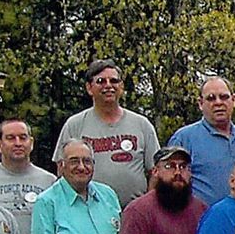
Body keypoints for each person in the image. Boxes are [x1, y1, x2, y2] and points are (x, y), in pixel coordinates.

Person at [53, 58, 158, 204]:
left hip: (133, 214)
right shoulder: (74, 125)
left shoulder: (142, 124)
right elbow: (61, 170)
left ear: (121, 86)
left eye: (114, 81)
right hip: (87, 213)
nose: (108, 85)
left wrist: (147, 206)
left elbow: (155, 171)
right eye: (101, 81)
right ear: (89, 88)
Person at [166, 75, 235, 205]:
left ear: (234, 100)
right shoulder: (184, 138)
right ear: (200, 104)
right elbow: (169, 184)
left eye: (224, 97)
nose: (218, 102)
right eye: (211, 98)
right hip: (199, 221)